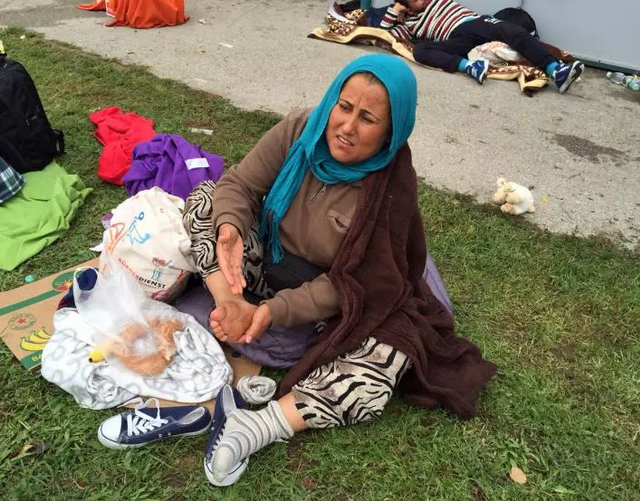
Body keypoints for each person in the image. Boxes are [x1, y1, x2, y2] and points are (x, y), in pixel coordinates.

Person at [183, 54, 497, 486]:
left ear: (391, 130)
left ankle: (260, 425)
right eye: (344, 107)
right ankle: (227, 305)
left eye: (368, 118)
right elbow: (239, 185)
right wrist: (232, 231)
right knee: (205, 201)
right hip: (264, 264)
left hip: (328, 299)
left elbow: (360, 283)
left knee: (392, 352)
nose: (347, 127)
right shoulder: (299, 130)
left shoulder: (389, 188)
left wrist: (275, 312)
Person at [380, 0, 584, 93]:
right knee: (420, 50)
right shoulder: (409, 24)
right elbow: (387, 34)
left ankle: (556, 71)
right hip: (455, 38)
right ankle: (469, 66)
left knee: (511, 31)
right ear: (406, 7)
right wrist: (394, 10)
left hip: (475, 24)